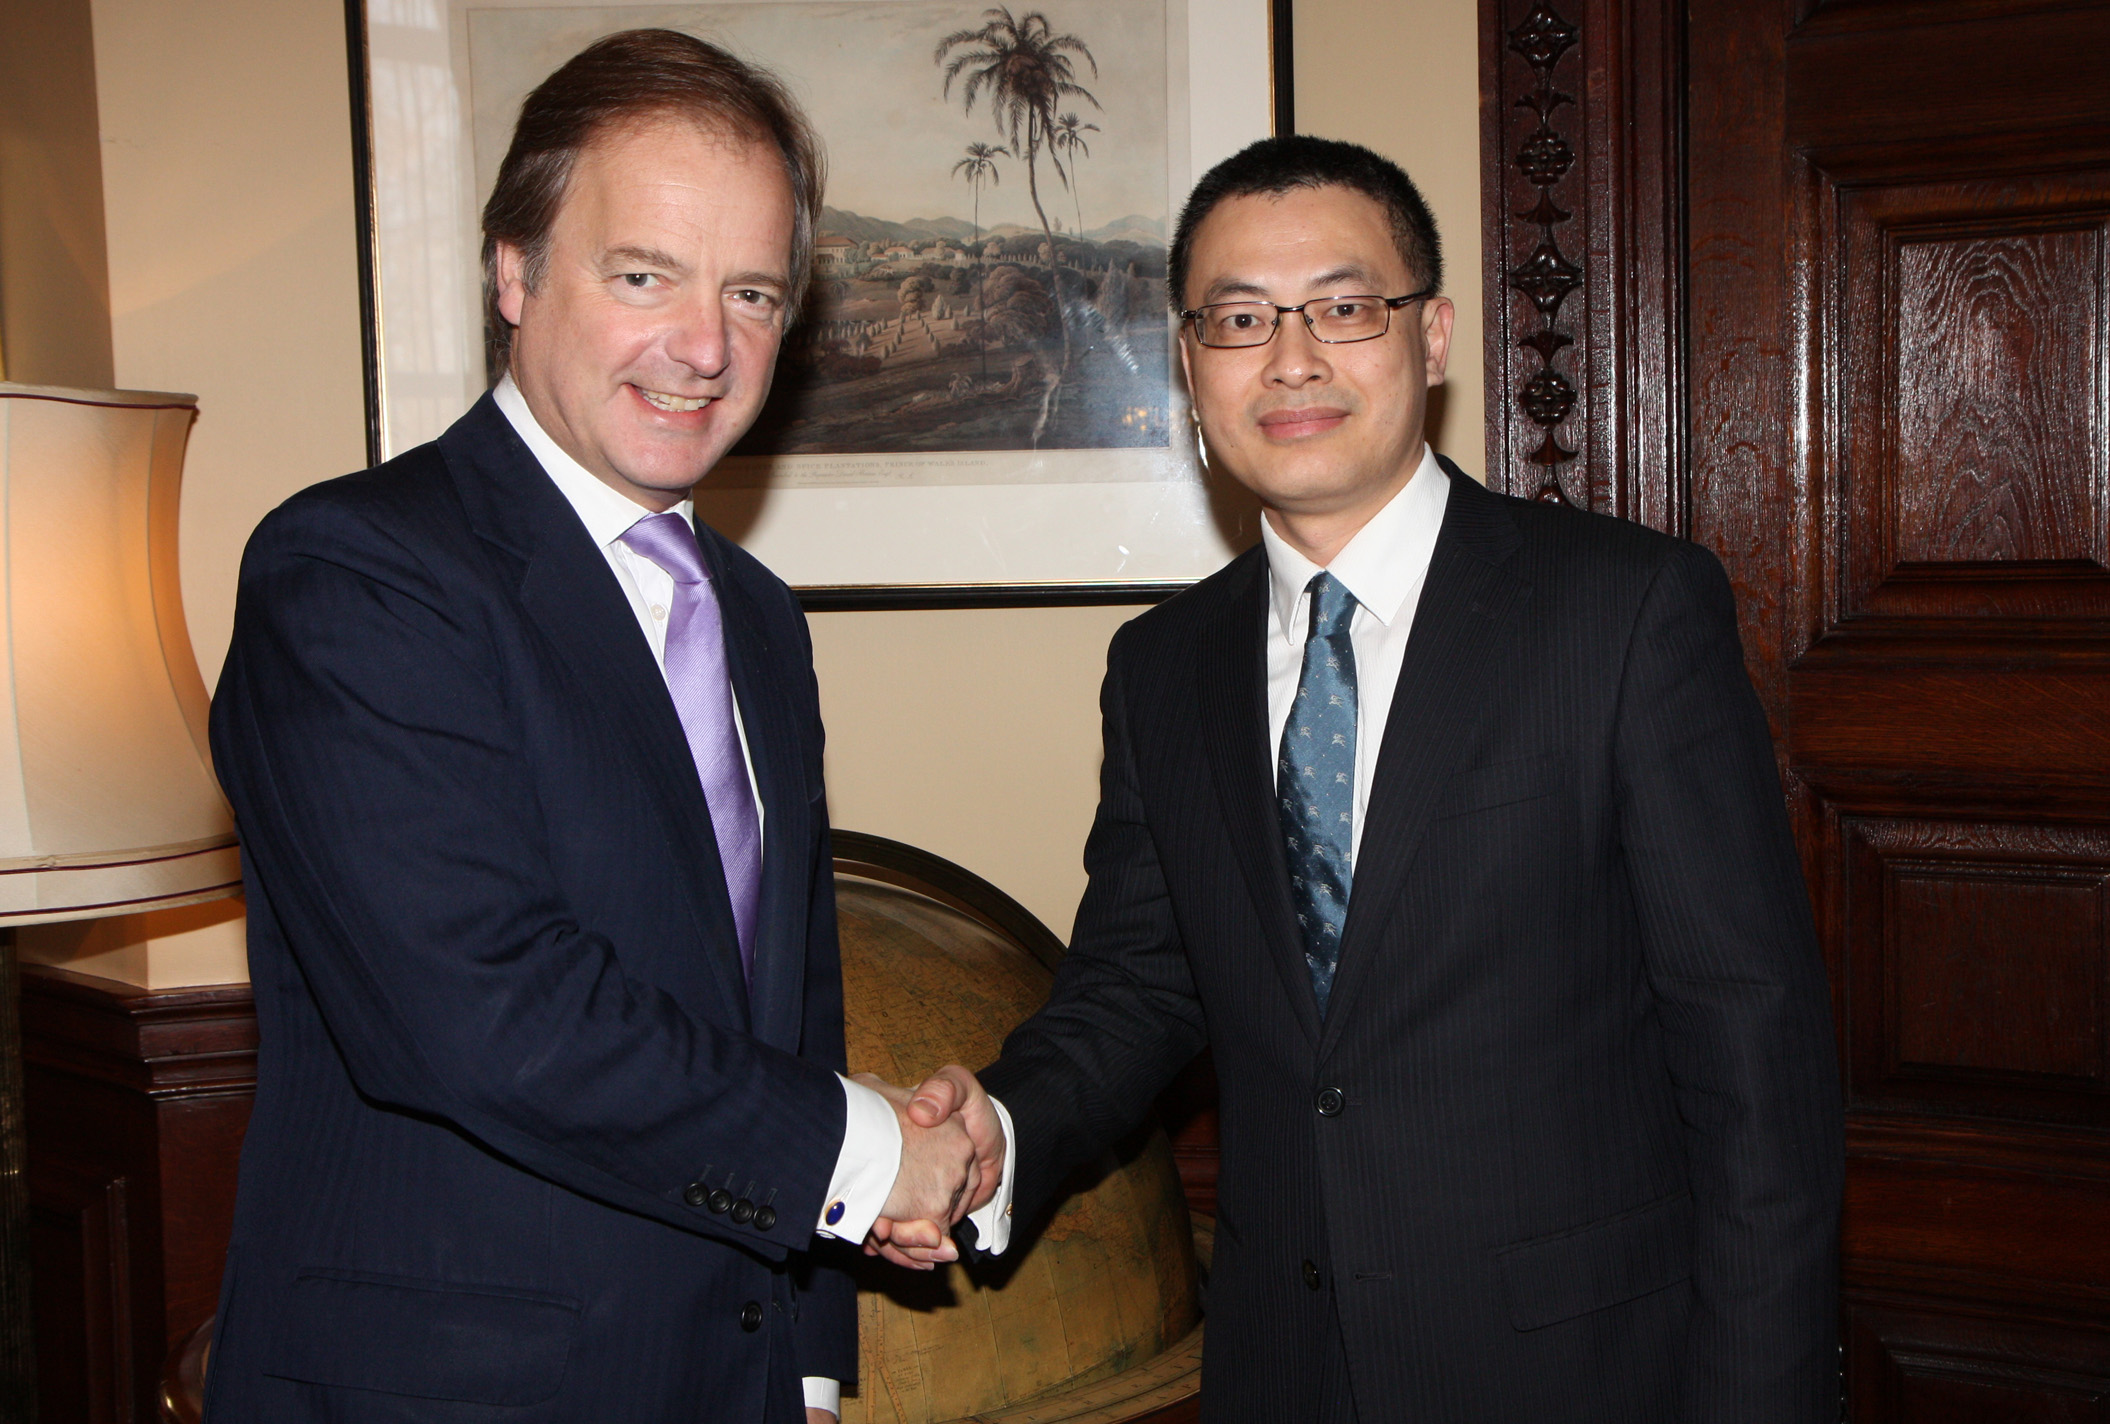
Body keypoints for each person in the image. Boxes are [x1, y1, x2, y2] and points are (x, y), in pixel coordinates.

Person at [892, 136, 1844, 1422]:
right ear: (1188, 364)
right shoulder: (1160, 667)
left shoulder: (1622, 614)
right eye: (1238, 319)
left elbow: (1755, 1065)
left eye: (1343, 307)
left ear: (1433, 335)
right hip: (1285, 1367)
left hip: (1580, 1372)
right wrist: (996, 1125)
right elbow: (1137, 985)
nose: (1291, 359)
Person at [203, 30, 990, 1424]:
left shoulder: (754, 613)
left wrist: (802, 1359)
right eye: (644, 276)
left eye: (752, 292)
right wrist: (866, 1154)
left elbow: (782, 1002)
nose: (703, 346)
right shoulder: (355, 571)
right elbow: (479, 1012)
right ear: (513, 273)